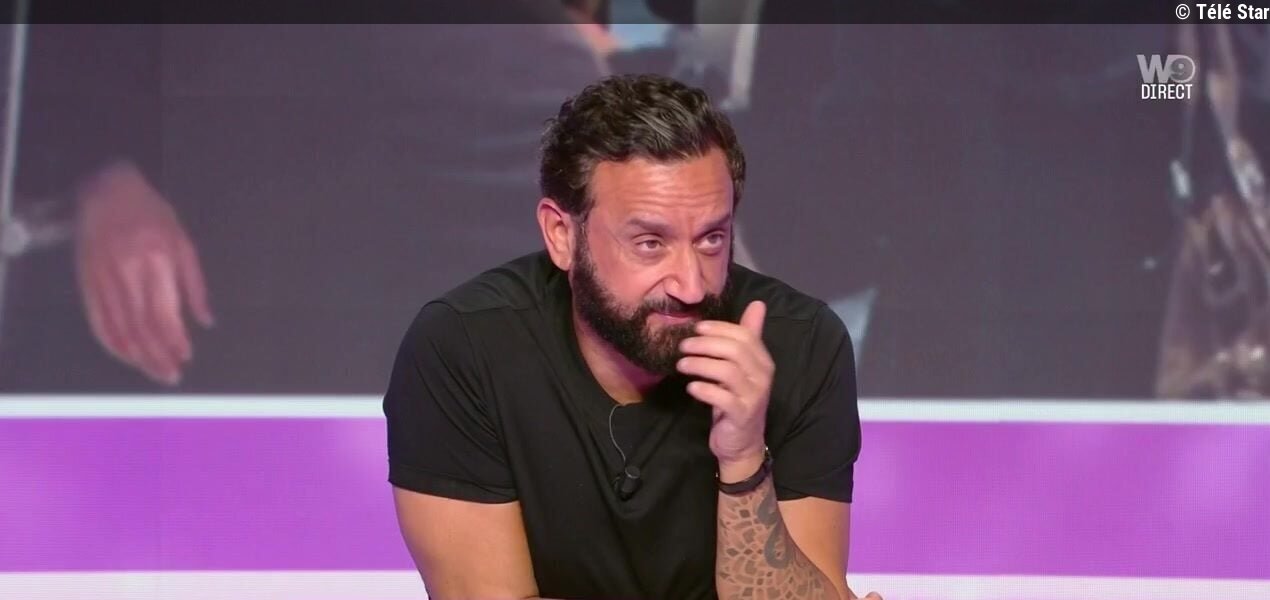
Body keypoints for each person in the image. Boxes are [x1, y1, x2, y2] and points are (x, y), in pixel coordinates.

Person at [383, 74, 881, 599]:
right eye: (650, 243)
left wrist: (743, 461)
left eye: (712, 239)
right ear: (561, 235)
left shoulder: (801, 346)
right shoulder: (463, 347)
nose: (691, 285)